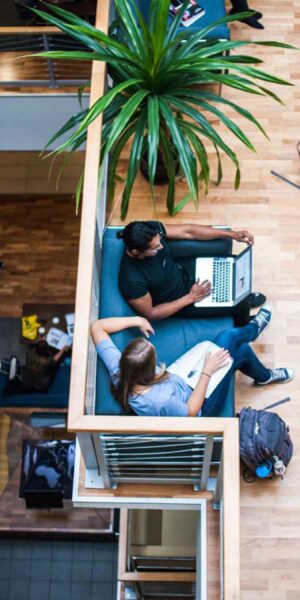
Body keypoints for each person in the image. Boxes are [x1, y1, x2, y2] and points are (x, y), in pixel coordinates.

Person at [91, 305, 294, 417]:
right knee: (231, 342)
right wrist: (207, 371)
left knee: (236, 349)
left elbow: (97, 328)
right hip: (198, 403)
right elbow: (190, 412)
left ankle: (264, 375)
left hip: (175, 379)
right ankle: (253, 331)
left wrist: (136, 320)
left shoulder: (120, 370)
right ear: (146, 372)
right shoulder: (158, 402)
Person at [118, 220, 266, 326]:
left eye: (160, 241)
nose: (161, 246)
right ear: (136, 252)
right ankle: (246, 324)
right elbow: (151, 313)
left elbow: (188, 231)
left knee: (234, 263)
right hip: (179, 298)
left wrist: (231, 234)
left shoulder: (150, 230)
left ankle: (242, 294)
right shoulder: (131, 279)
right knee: (239, 305)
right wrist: (191, 297)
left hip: (183, 269)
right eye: (155, 248)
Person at [1, 341, 70, 397]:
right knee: (53, 370)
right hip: (40, 382)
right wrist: (63, 350)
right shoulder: (45, 362)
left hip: (28, 374)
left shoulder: (30, 353)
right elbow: (53, 360)